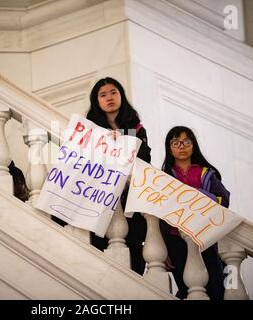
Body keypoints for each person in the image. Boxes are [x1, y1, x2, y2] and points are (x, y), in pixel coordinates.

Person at [85, 77, 152, 275]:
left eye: (114, 92)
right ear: (96, 101)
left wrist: (123, 141)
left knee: (135, 258)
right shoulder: (90, 131)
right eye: (103, 95)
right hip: (99, 203)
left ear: (121, 95)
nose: (109, 98)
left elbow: (144, 161)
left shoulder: (137, 129)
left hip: (130, 203)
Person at [160, 126, 229, 300]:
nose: (182, 146)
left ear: (193, 145)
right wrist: (163, 249)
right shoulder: (164, 177)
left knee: (216, 285)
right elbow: (159, 214)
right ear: (169, 148)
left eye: (186, 142)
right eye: (176, 142)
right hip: (175, 240)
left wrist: (204, 195)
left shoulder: (206, 174)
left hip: (205, 237)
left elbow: (224, 200)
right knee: (185, 287)